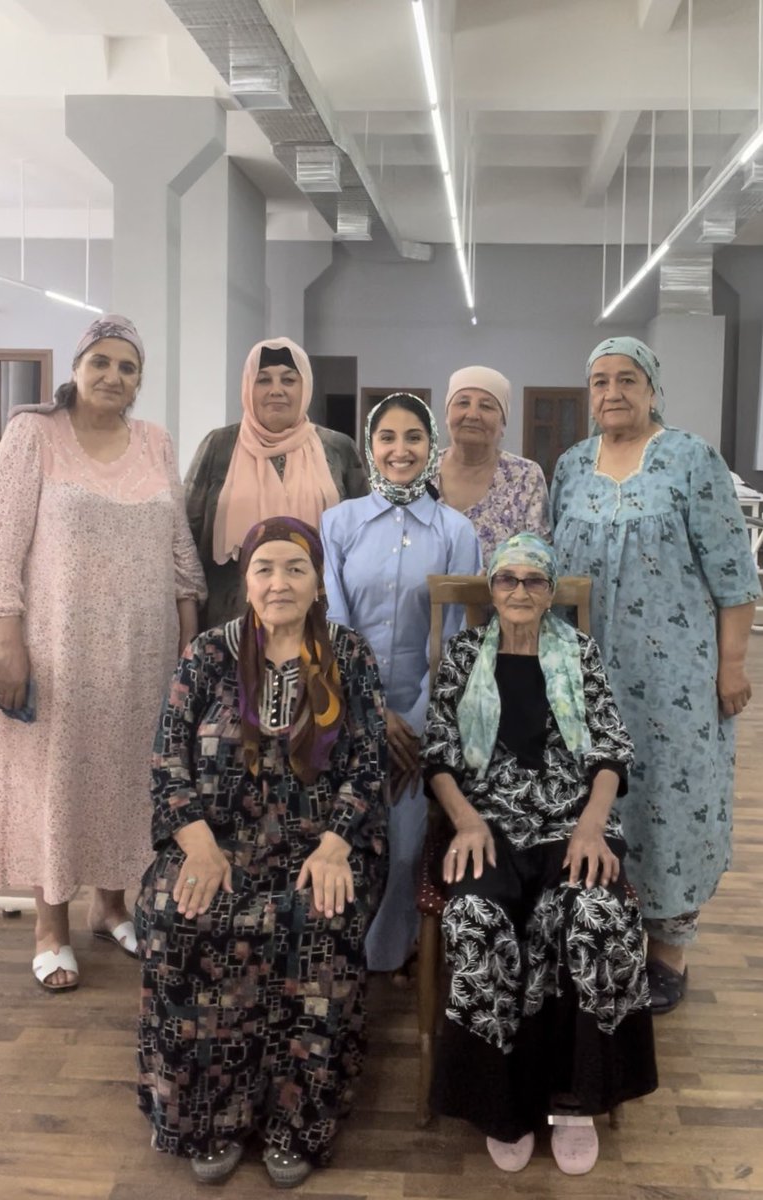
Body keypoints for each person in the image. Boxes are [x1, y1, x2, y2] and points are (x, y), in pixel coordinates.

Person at [136, 517, 387, 1188]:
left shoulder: (348, 654)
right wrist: (196, 845)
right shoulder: (207, 655)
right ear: (245, 580)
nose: (279, 583)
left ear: (317, 580)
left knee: (321, 922)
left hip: (320, 842)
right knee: (177, 915)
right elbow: (167, 762)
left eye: (295, 568)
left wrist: (337, 845)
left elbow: (368, 767)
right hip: (217, 841)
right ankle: (206, 1115)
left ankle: (295, 1120)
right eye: (265, 569)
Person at [420, 533, 657, 1176]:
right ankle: (501, 1103)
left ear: (550, 591)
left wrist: (591, 828)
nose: (519, 592)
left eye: (533, 581)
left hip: (571, 820)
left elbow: (610, 750)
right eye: (506, 580)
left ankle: (575, 1096)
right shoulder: (466, 654)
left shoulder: (579, 652)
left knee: (593, 915)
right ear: (492, 588)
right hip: (487, 823)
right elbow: (438, 756)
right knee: (476, 918)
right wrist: (465, 822)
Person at [551, 336, 761, 1013]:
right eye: (600, 381)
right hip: (585, 672)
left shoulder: (690, 459)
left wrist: (732, 665)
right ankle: (603, 925)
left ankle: (668, 949)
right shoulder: (571, 465)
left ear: (651, 388)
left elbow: (734, 572)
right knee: (595, 796)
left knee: (671, 800)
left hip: (677, 675)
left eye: (627, 379)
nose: (612, 392)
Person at [0, 314, 206, 992]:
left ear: (140, 381)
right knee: (56, 780)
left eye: (128, 367)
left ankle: (112, 904)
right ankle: (50, 924)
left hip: (142, 650)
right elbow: (4, 543)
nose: (114, 376)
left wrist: (188, 631)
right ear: (77, 367)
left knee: (130, 777)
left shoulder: (155, 441)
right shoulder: (34, 433)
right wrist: (7, 637)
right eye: (102, 363)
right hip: (56, 651)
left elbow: (178, 544)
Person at [320, 393, 481, 977]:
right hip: (344, 713)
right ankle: (336, 947)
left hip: (424, 721)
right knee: (345, 835)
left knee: (408, 844)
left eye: (413, 437)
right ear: (370, 446)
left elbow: (459, 642)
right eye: (387, 437)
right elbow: (333, 628)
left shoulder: (456, 532)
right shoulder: (338, 524)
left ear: (431, 446)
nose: (400, 449)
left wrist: (413, 723)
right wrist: (371, 715)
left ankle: (388, 954)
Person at [184, 336, 369, 627]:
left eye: (288, 380)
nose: (276, 391)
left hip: (318, 619)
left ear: (305, 385)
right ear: (248, 386)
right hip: (229, 620)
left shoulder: (338, 448)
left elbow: (362, 537)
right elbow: (187, 539)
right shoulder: (219, 446)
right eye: (264, 380)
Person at [433, 365, 550, 563]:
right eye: (462, 403)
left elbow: (539, 560)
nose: (472, 415)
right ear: (446, 416)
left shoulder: (525, 476)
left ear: (503, 423)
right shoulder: (419, 470)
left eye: (486, 406)